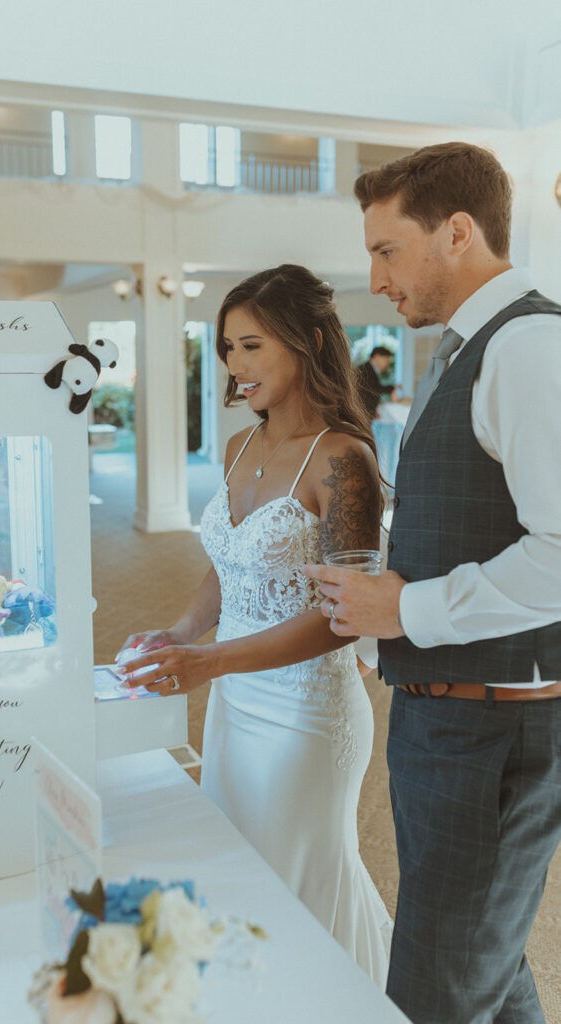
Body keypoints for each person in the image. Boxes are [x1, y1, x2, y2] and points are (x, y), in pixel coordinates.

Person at [304, 142, 561, 1024]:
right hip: (450, 716)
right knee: (481, 963)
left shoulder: (526, 346)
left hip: (495, 727)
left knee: (434, 991)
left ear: (456, 233)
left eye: (384, 249)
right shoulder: (465, 349)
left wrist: (403, 605)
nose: (373, 277)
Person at [118, 265, 392, 985]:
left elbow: (342, 619)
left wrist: (208, 663)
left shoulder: (343, 460)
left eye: (251, 347)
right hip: (236, 707)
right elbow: (230, 562)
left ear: (306, 342)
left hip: (306, 716)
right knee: (240, 877)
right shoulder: (241, 447)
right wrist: (184, 632)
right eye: (227, 350)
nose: (235, 368)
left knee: (297, 888)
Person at [356, 345, 398, 423]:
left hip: (363, 414)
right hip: (360, 416)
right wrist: (391, 388)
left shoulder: (369, 369)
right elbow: (373, 389)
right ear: (377, 357)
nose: (388, 363)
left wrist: (373, 412)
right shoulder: (366, 370)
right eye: (386, 359)